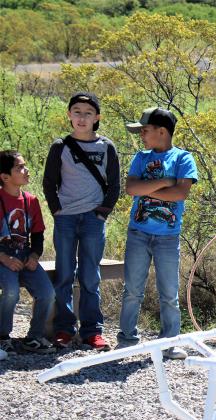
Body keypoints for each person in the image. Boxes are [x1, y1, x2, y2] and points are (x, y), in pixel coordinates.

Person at [116, 107, 197, 360]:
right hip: (138, 233)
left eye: (145, 130)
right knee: (132, 290)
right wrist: (164, 182)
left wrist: (146, 188)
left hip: (168, 237)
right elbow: (131, 188)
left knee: (169, 294)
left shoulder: (183, 159)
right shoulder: (141, 157)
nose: (141, 135)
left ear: (162, 132)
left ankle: (168, 343)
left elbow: (180, 194)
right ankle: (127, 339)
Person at [43, 92, 120, 351]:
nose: (82, 117)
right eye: (76, 111)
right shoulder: (60, 146)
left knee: (90, 276)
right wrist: (57, 210)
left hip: (93, 220)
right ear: (69, 115)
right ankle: (64, 329)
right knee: (64, 275)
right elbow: (49, 182)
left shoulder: (106, 146)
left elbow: (114, 185)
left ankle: (92, 332)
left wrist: (102, 213)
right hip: (65, 219)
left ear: (97, 117)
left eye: (88, 113)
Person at [0, 150, 55, 359]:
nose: (26, 170)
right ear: (5, 177)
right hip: (2, 256)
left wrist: (34, 257)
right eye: (19, 168)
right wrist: (4, 258)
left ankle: (34, 336)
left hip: (24, 255)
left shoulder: (30, 201)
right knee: (11, 290)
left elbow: (38, 235)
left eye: (24, 165)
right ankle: (3, 336)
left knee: (47, 293)